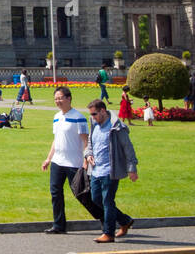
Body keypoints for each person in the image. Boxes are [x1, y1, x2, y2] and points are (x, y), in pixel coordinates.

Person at [85, 98, 139, 243]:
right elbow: (90, 142)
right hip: (96, 171)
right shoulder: (94, 124)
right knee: (96, 199)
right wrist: (88, 154)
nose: (93, 117)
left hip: (110, 171)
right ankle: (125, 220)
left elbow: (128, 147)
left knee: (108, 201)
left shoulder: (116, 127)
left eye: (95, 114)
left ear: (103, 111)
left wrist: (132, 168)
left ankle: (108, 233)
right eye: (91, 115)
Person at [41, 86, 89, 235]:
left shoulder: (78, 117)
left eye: (60, 98)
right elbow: (56, 140)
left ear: (69, 98)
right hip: (58, 161)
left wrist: (86, 159)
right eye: (56, 98)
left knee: (82, 195)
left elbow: (85, 141)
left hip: (74, 162)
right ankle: (59, 225)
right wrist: (49, 158)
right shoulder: (56, 116)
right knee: (55, 193)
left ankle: (110, 219)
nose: (58, 101)